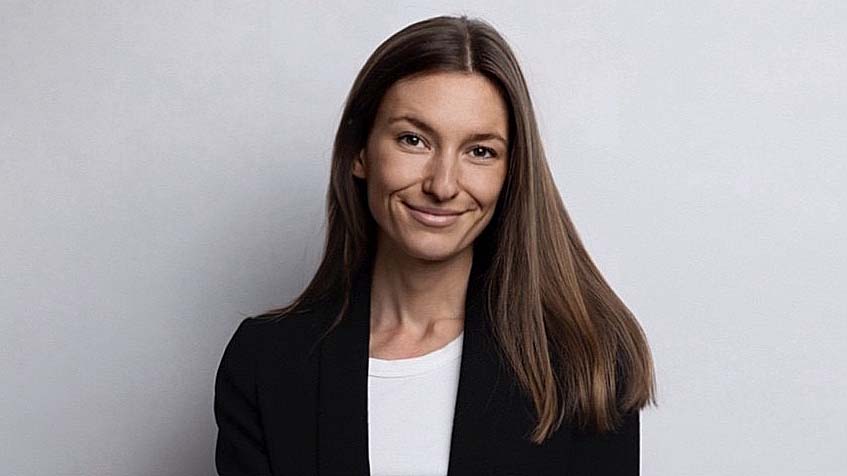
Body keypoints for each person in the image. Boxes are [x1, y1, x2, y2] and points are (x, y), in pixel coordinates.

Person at [214, 14, 656, 476]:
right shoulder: (266, 364)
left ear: (510, 172)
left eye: (480, 151)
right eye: (414, 140)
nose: (443, 185)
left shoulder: (585, 361)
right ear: (360, 152)